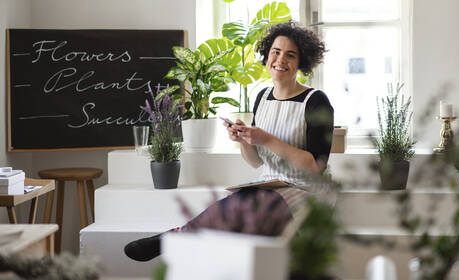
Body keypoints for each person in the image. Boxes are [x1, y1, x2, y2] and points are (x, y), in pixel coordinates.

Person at [124, 20, 334, 262]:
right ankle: (180, 236)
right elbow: (255, 162)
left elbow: (314, 166)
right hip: (269, 186)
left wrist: (265, 139)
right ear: (267, 56)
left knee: (249, 207)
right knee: (240, 203)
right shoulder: (262, 97)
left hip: (304, 191)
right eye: (275, 52)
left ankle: (175, 237)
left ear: (302, 62)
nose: (280, 60)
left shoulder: (316, 101)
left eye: (290, 55)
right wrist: (244, 140)